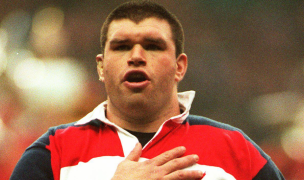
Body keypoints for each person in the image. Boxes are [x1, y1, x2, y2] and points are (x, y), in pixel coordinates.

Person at [10, 1, 285, 180]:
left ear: (180, 67)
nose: (137, 56)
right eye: (121, 46)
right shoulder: (52, 152)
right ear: (101, 67)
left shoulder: (237, 151)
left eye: (153, 45)